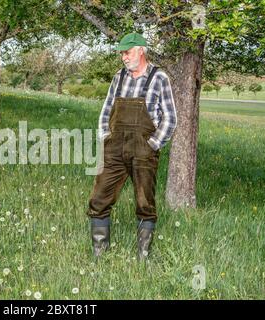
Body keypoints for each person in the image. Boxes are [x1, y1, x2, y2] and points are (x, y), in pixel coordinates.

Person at [87, 33, 177, 260]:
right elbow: (106, 110)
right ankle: (100, 254)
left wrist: (154, 144)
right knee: (98, 199)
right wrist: (105, 136)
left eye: (127, 52)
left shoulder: (159, 78)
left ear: (141, 50)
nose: (123, 57)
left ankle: (143, 256)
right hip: (114, 149)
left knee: (145, 203)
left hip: (143, 150)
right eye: (121, 53)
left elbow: (170, 117)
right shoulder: (119, 77)